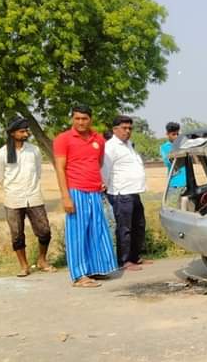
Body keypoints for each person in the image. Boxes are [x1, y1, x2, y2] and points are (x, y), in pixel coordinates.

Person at [53, 105, 118, 288]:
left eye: (84, 118)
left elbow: (97, 163)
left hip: (94, 191)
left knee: (97, 230)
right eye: (77, 118)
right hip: (75, 191)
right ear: (72, 119)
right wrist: (65, 196)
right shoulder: (63, 139)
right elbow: (60, 168)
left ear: (91, 119)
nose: (81, 122)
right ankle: (79, 275)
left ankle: (96, 268)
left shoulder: (98, 139)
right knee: (78, 233)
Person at [0, 117, 55, 277]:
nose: (26, 133)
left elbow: (38, 172)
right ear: (13, 133)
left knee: (44, 231)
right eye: (22, 131)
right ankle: (24, 266)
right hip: (13, 199)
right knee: (17, 234)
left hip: (34, 197)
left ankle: (42, 260)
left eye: (26, 130)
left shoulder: (33, 150)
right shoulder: (0, 154)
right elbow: (0, 178)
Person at [101, 115, 151, 271]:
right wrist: (107, 190)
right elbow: (105, 171)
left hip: (134, 191)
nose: (127, 131)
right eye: (124, 128)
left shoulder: (129, 144)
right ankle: (124, 261)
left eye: (130, 128)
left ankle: (135, 257)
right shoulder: (110, 147)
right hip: (121, 193)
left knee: (139, 225)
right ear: (115, 129)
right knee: (125, 228)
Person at [160, 122, 185, 187]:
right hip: (174, 182)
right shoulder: (164, 147)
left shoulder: (183, 144)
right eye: (173, 134)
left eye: (177, 134)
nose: (176, 136)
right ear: (167, 134)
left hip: (186, 181)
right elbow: (168, 162)